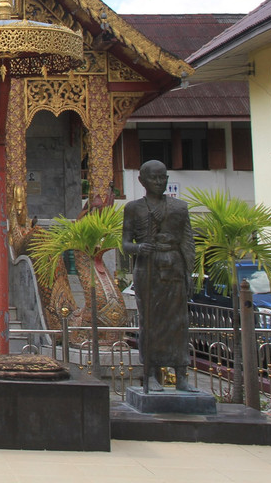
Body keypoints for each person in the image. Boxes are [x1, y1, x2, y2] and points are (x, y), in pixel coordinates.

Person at [121, 160, 195, 391]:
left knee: (179, 321)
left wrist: (188, 273)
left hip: (173, 265)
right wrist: (139, 248)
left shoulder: (179, 208)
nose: (159, 182)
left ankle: (181, 373)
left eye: (163, 177)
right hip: (147, 267)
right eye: (153, 178)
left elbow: (187, 242)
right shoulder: (134, 208)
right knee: (149, 321)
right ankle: (150, 372)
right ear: (142, 181)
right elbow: (125, 244)